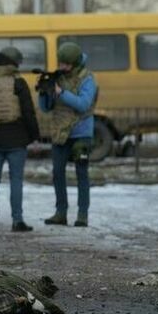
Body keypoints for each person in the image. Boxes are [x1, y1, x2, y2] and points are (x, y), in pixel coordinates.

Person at [38, 41, 98, 227]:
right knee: (57, 173)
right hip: (60, 133)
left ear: (75, 63)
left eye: (66, 64)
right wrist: (44, 92)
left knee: (81, 173)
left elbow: (83, 104)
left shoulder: (87, 79)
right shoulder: (58, 78)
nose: (62, 67)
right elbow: (46, 108)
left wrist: (61, 92)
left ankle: (82, 214)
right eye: (61, 63)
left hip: (81, 133)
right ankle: (60, 212)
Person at [0, 46, 39, 232]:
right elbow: (28, 112)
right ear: (12, 64)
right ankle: (17, 220)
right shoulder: (18, 82)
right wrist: (34, 136)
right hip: (16, 139)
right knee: (16, 180)